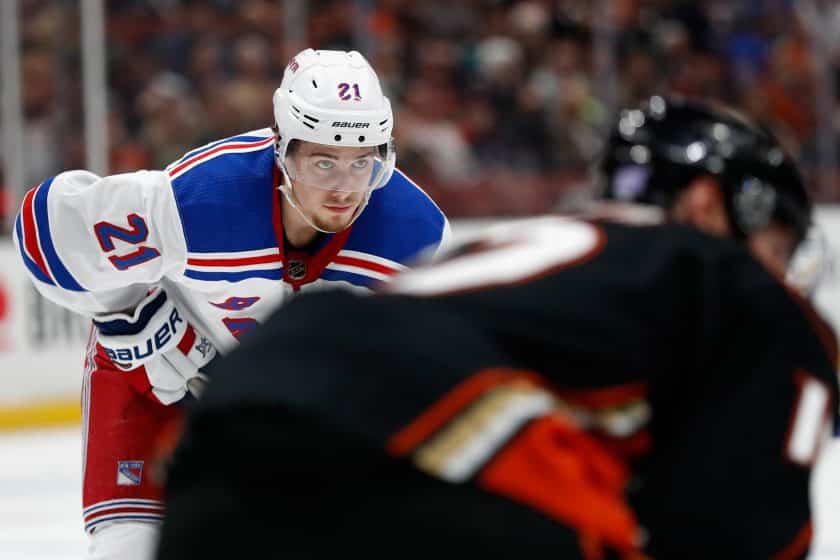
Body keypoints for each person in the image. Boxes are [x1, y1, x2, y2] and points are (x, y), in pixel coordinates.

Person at [155, 97, 837, 560]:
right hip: (413, 440)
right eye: (776, 238)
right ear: (707, 205)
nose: (779, 267)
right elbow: (738, 534)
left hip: (228, 424)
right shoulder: (734, 286)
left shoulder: (556, 254)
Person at [12, 48, 449, 560]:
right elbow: (49, 231)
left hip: (277, 421)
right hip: (153, 393)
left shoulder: (413, 236)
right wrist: (128, 311)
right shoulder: (202, 199)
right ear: (282, 149)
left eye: (362, 163)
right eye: (323, 162)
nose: (344, 189)